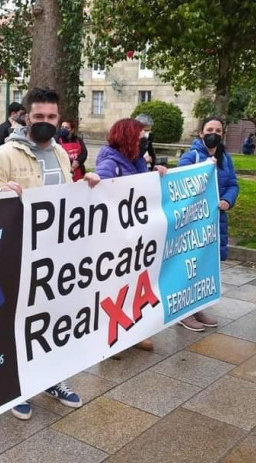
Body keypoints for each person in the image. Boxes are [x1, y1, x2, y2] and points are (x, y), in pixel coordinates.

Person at [0, 87, 101, 421]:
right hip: (20, 252)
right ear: (26, 118)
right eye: (39, 117)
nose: (45, 122)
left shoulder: (61, 153)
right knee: (19, 323)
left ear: (58, 119)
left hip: (56, 256)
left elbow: (64, 195)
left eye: (51, 117)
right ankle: (16, 387)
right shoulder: (6, 154)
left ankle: (52, 379)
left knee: (53, 319)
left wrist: (85, 183)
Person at [96, 118, 167, 350]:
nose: (143, 138)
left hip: (134, 236)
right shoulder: (110, 162)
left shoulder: (135, 160)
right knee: (117, 289)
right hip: (118, 238)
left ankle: (133, 332)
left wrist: (155, 173)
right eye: (140, 134)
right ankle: (112, 339)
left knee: (134, 286)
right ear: (127, 136)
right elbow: (101, 194)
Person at [177, 117, 238, 332]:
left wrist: (228, 200)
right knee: (190, 267)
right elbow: (179, 183)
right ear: (201, 133)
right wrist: (203, 168)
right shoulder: (191, 156)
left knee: (205, 266)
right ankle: (184, 313)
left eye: (218, 130)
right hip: (193, 223)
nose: (214, 133)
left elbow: (232, 184)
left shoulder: (225, 158)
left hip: (215, 220)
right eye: (210, 129)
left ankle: (198, 307)